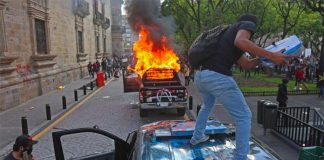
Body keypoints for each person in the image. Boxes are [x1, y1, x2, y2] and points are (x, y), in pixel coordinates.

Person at [189, 13, 288, 160]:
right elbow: (241, 41)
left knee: (207, 105)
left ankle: (197, 137)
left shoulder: (223, 36)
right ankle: (240, 157)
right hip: (217, 77)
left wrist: (264, 57)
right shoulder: (246, 25)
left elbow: (246, 64)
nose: (250, 33)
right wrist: (271, 55)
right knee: (244, 116)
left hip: (200, 77)